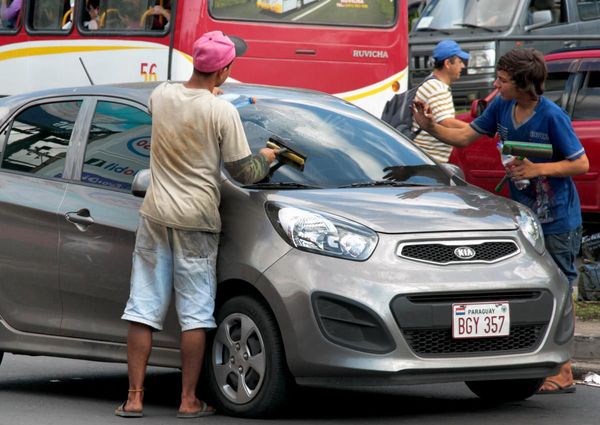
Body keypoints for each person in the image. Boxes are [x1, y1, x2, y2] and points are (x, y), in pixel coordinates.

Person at [115, 30, 278, 418]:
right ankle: (188, 400)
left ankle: (134, 398)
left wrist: (207, 96)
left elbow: (183, 104)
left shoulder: (163, 95)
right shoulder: (223, 112)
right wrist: (269, 156)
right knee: (196, 314)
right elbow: (246, 170)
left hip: (154, 215)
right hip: (197, 221)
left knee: (142, 309)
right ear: (223, 71)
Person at [412, 47, 589, 395]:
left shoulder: (552, 117)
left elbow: (580, 164)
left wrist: (539, 168)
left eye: (503, 80)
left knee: (560, 289)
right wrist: (429, 126)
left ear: (523, 84)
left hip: (558, 222)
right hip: (521, 222)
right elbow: (464, 136)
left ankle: (564, 370)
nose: (496, 84)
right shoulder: (502, 108)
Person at [411, 40, 470, 163]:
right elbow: (446, 122)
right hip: (429, 160)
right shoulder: (437, 88)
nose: (463, 66)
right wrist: (477, 130)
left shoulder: (431, 83)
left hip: (423, 158)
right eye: (459, 61)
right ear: (448, 63)